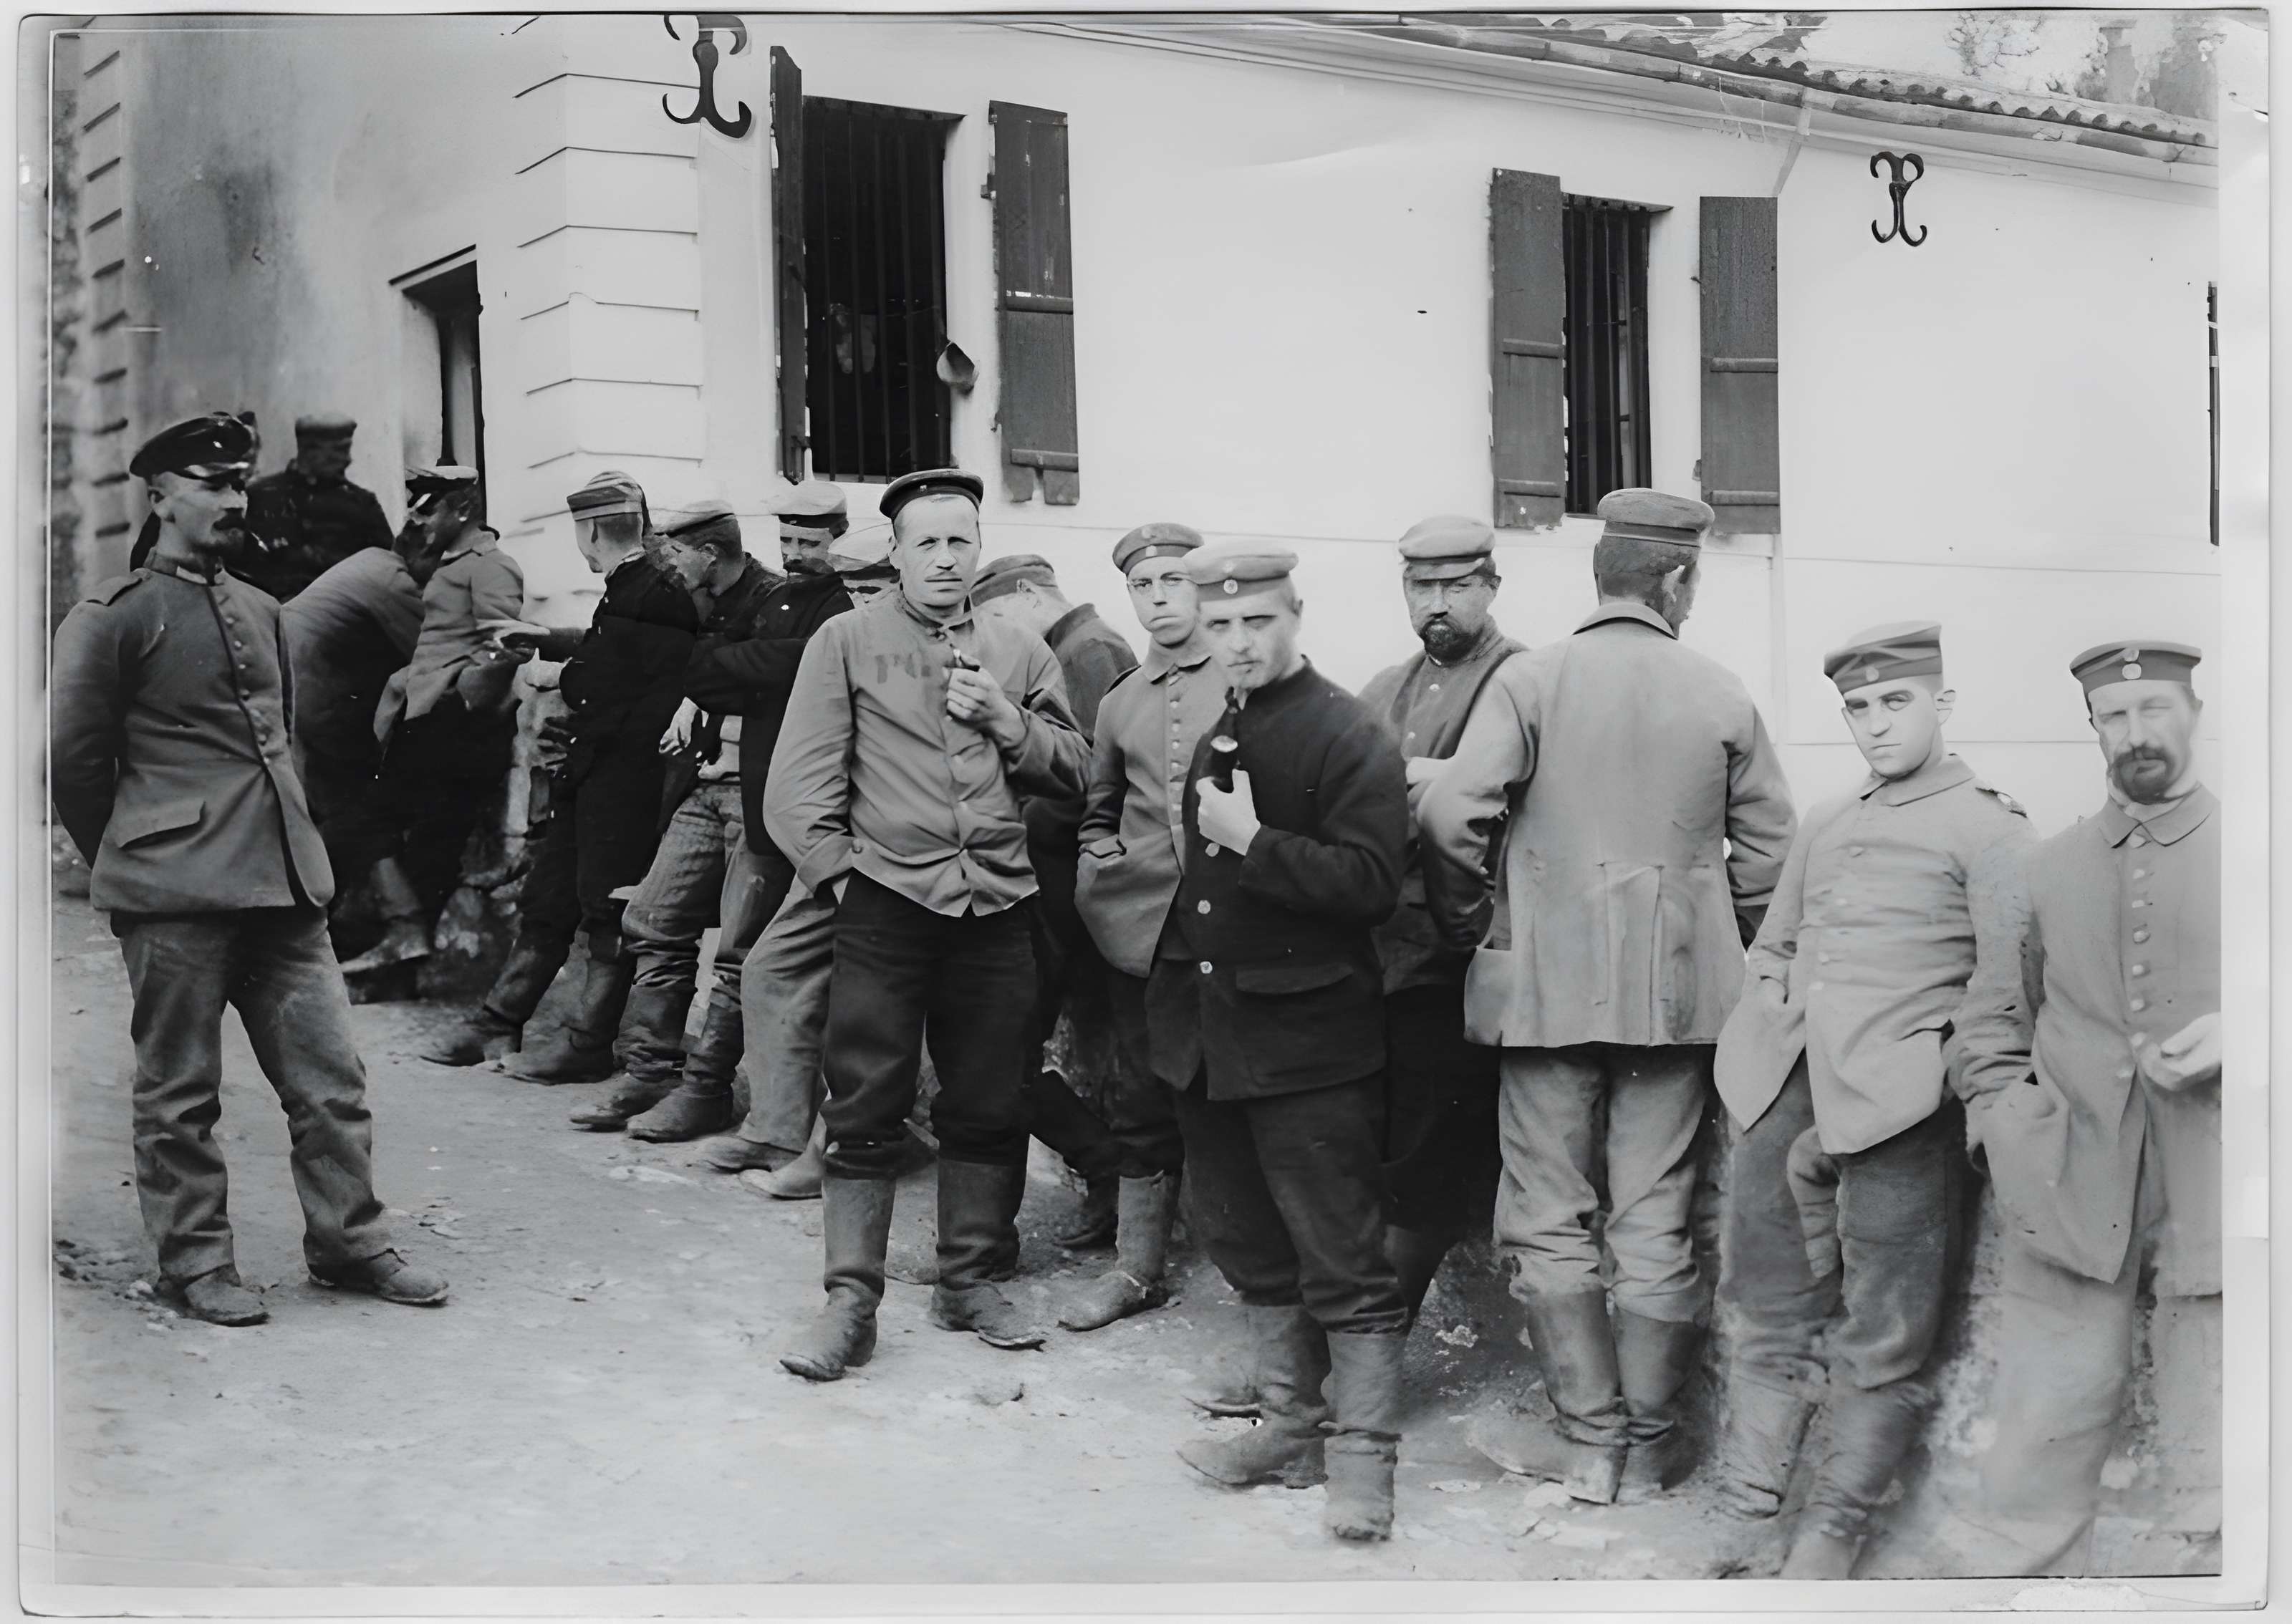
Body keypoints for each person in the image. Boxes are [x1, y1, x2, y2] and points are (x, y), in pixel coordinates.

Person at [1418, 488, 1796, 1507]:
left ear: (1600, 580)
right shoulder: (1721, 693)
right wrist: (1730, 943)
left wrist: (1478, 922)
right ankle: (1653, 1442)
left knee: (1548, 1214)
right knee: (1655, 1216)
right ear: (1675, 581)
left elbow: (1456, 809)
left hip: (1543, 993)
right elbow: (1771, 859)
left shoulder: (1532, 682)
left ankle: (1591, 1447)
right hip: (1679, 1007)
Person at [50, 412, 447, 1326]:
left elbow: (284, 745)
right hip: (175, 892)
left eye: (238, 486)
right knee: (181, 1089)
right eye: (212, 486)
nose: (233, 502)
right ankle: (195, 1265)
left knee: (330, 1078)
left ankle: (349, 1242)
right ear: (160, 499)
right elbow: (75, 765)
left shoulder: (264, 609)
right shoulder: (113, 619)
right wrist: (141, 855)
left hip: (283, 884)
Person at [1708, 622, 2035, 1576]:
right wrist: (1767, 1028)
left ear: (1942, 704)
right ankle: (1746, 1503)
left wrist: (1938, 1073)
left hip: (1903, 1113)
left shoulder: (1991, 826)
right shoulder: (1829, 820)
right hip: (1791, 1098)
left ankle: (1832, 1532)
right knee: (1767, 1306)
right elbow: (1773, 944)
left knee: (1887, 1337)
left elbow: (2007, 992)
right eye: (1858, 707)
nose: (1876, 724)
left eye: (1897, 702)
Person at [766, 467, 1088, 1380]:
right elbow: (796, 794)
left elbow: (1077, 768)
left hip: (998, 905)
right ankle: (849, 1303)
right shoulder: (845, 639)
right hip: (885, 907)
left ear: (978, 548)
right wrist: (847, 887)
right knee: (865, 1102)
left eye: (961, 541)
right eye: (928, 544)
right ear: (897, 557)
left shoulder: (1018, 649)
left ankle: (967, 1280)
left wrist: (1005, 723)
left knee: (992, 1096)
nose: (946, 559)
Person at [1152, 543, 1411, 1543]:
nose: (1237, 642)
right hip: (1216, 1039)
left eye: (1256, 622)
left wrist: (1252, 838)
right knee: (1250, 1245)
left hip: (1311, 1045)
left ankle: (1363, 1468)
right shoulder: (1228, 725)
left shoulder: (1348, 733)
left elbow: (1371, 886)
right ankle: (1290, 1431)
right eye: (1219, 626)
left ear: (1294, 615)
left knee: (1343, 1258)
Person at [1946, 639, 2220, 1576]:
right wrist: (2008, 1127)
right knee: (2044, 1422)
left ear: (2195, 711)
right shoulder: (2049, 865)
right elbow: (1992, 1019)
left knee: (2220, 1431)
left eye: (2156, 709)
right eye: (2115, 716)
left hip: (2220, 1176)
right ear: (2093, 728)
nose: (2137, 732)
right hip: (2072, 1174)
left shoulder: (2264, 852)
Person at [418, 471, 698, 1076]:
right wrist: (548, 639)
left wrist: (554, 675)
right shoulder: (636, 585)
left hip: (626, 777)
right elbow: (614, 649)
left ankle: (587, 1044)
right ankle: (498, 1024)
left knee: (604, 910)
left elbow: (619, 676)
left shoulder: (650, 589)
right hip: (592, 766)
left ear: (590, 529)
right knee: (548, 897)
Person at [567, 497, 783, 1139]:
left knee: (739, 949)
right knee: (652, 918)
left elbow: (780, 677)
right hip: (701, 784)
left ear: (711, 553)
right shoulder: (693, 597)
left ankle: (705, 1089)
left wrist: (702, 687)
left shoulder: (777, 600)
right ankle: (649, 1072)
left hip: (753, 791)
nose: (667, 562)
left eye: (678, 552)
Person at [1355, 516, 1524, 1330]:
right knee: (1362, 1152)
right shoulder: (1384, 687)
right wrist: (1423, 779)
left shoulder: (1521, 680)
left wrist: (1416, 782)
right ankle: (1339, 1350)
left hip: (1462, 957)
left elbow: (1504, 806)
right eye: (1422, 587)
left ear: (1491, 586)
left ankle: (1365, 1364)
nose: (1438, 604)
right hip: (1380, 951)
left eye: (1456, 586)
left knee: (1421, 1168)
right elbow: (1338, 791)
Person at [1057, 523, 1225, 1331]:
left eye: (1173, 581)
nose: (1158, 598)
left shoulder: (1245, 678)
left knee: (1236, 1094)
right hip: (1144, 930)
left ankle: (1257, 1284)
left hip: (1236, 933)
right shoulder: (1121, 699)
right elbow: (1097, 808)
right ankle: (1137, 1269)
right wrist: (1101, 872)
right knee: (1139, 1092)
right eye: (1143, 586)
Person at [703, 528, 892, 1198]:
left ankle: (838, 1148)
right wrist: (828, 863)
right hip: (843, 861)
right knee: (770, 965)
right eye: (857, 589)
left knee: (871, 1001)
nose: (865, 601)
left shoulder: (939, 654)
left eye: (877, 587)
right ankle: (778, 1127)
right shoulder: (844, 649)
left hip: (911, 870)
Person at [969, 552, 1144, 1255]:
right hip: (1048, 877)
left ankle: (1106, 1173)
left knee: (1001, 1047)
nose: (997, 636)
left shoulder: (1087, 651)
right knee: (999, 1047)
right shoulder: (1078, 646)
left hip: (1060, 885)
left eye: (998, 617)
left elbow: (1094, 780)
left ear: (1029, 597)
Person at [337, 465, 525, 975]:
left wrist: (463, 697)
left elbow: (504, 644)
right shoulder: (449, 561)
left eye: (428, 509)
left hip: (454, 724)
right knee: (411, 836)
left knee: (394, 828)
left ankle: (406, 940)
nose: (419, 520)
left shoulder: (491, 565)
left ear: (462, 509)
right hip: (427, 715)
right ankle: (405, 952)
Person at [276, 486, 431, 953]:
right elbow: (436, 652)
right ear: (417, 550)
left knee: (327, 806)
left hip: (293, 688)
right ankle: (401, 926)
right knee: (354, 807)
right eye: (438, 564)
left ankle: (316, 922)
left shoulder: (370, 562)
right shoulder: (394, 579)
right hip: (315, 695)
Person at [232, 412, 396, 603]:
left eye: (346, 449)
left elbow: (387, 567)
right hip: (268, 610)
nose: (347, 460)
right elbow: (237, 564)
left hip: (339, 612)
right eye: (338, 451)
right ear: (308, 450)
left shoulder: (362, 503)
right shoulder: (258, 496)